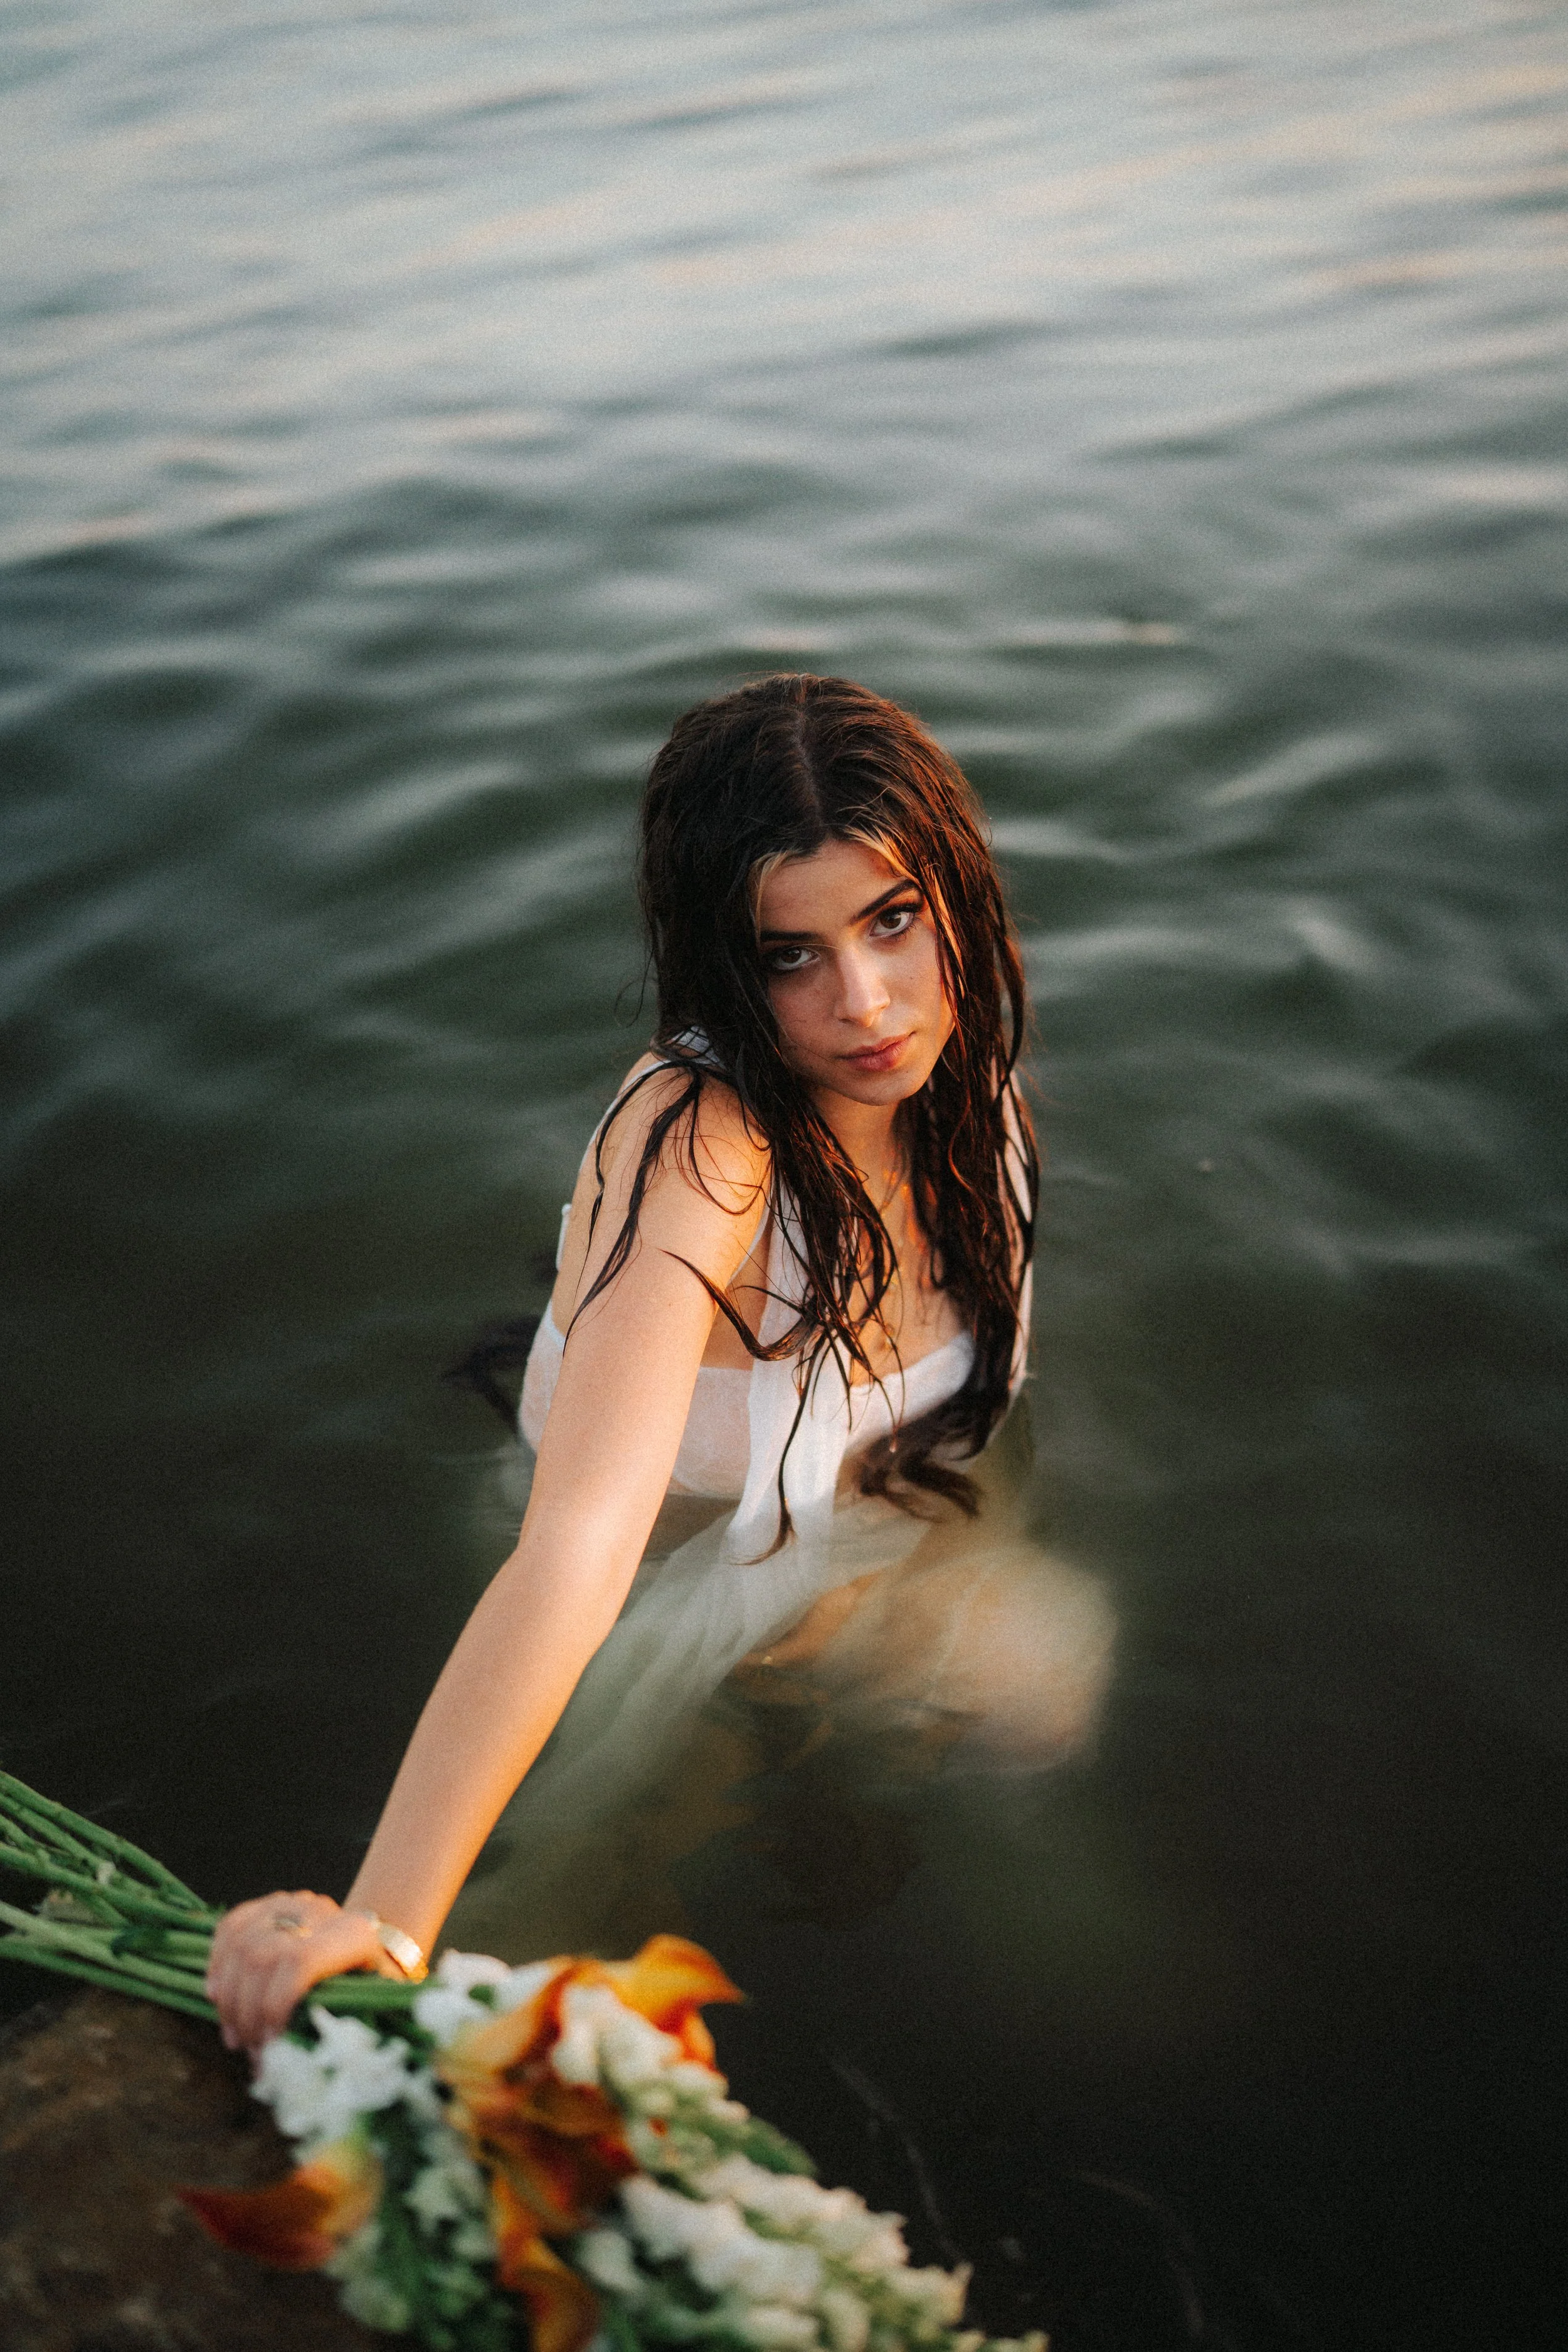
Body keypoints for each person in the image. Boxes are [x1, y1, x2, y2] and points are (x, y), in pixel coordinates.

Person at [206, 673, 1039, 2054]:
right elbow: (581, 1544)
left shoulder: (958, 1075)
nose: (867, 1000)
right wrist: (391, 1920)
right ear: (725, 962)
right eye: (790, 955)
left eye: (892, 919)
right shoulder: (701, 1148)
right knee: (568, 1937)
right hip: (657, 1573)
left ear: (952, 888)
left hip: (876, 1534)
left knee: (1050, 1712)